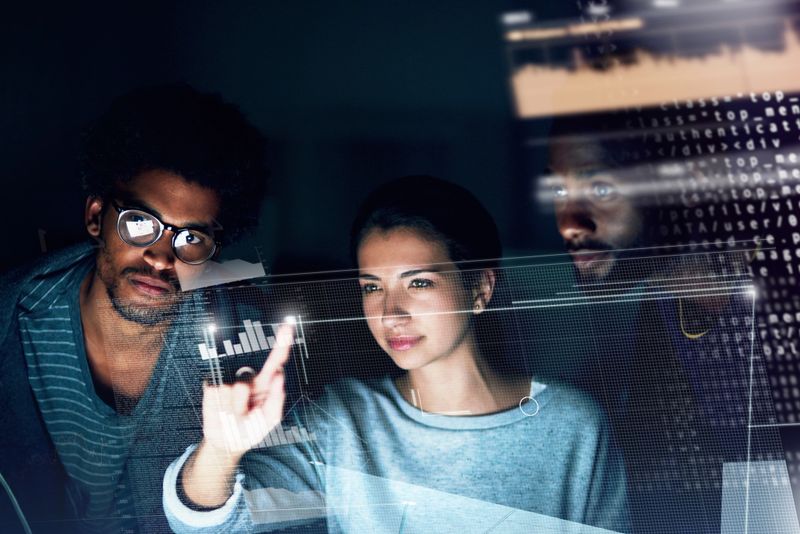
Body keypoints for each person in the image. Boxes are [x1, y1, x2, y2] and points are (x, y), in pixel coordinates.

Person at [163, 175, 629, 533]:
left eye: (418, 282)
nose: (391, 313)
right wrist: (221, 449)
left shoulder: (573, 425)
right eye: (372, 287)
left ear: (480, 287)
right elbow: (205, 522)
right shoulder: (343, 423)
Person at [0, 84, 269, 533]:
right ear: (95, 217)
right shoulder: (11, 321)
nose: (162, 258)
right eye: (141, 223)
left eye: (191, 237)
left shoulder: (249, 350)